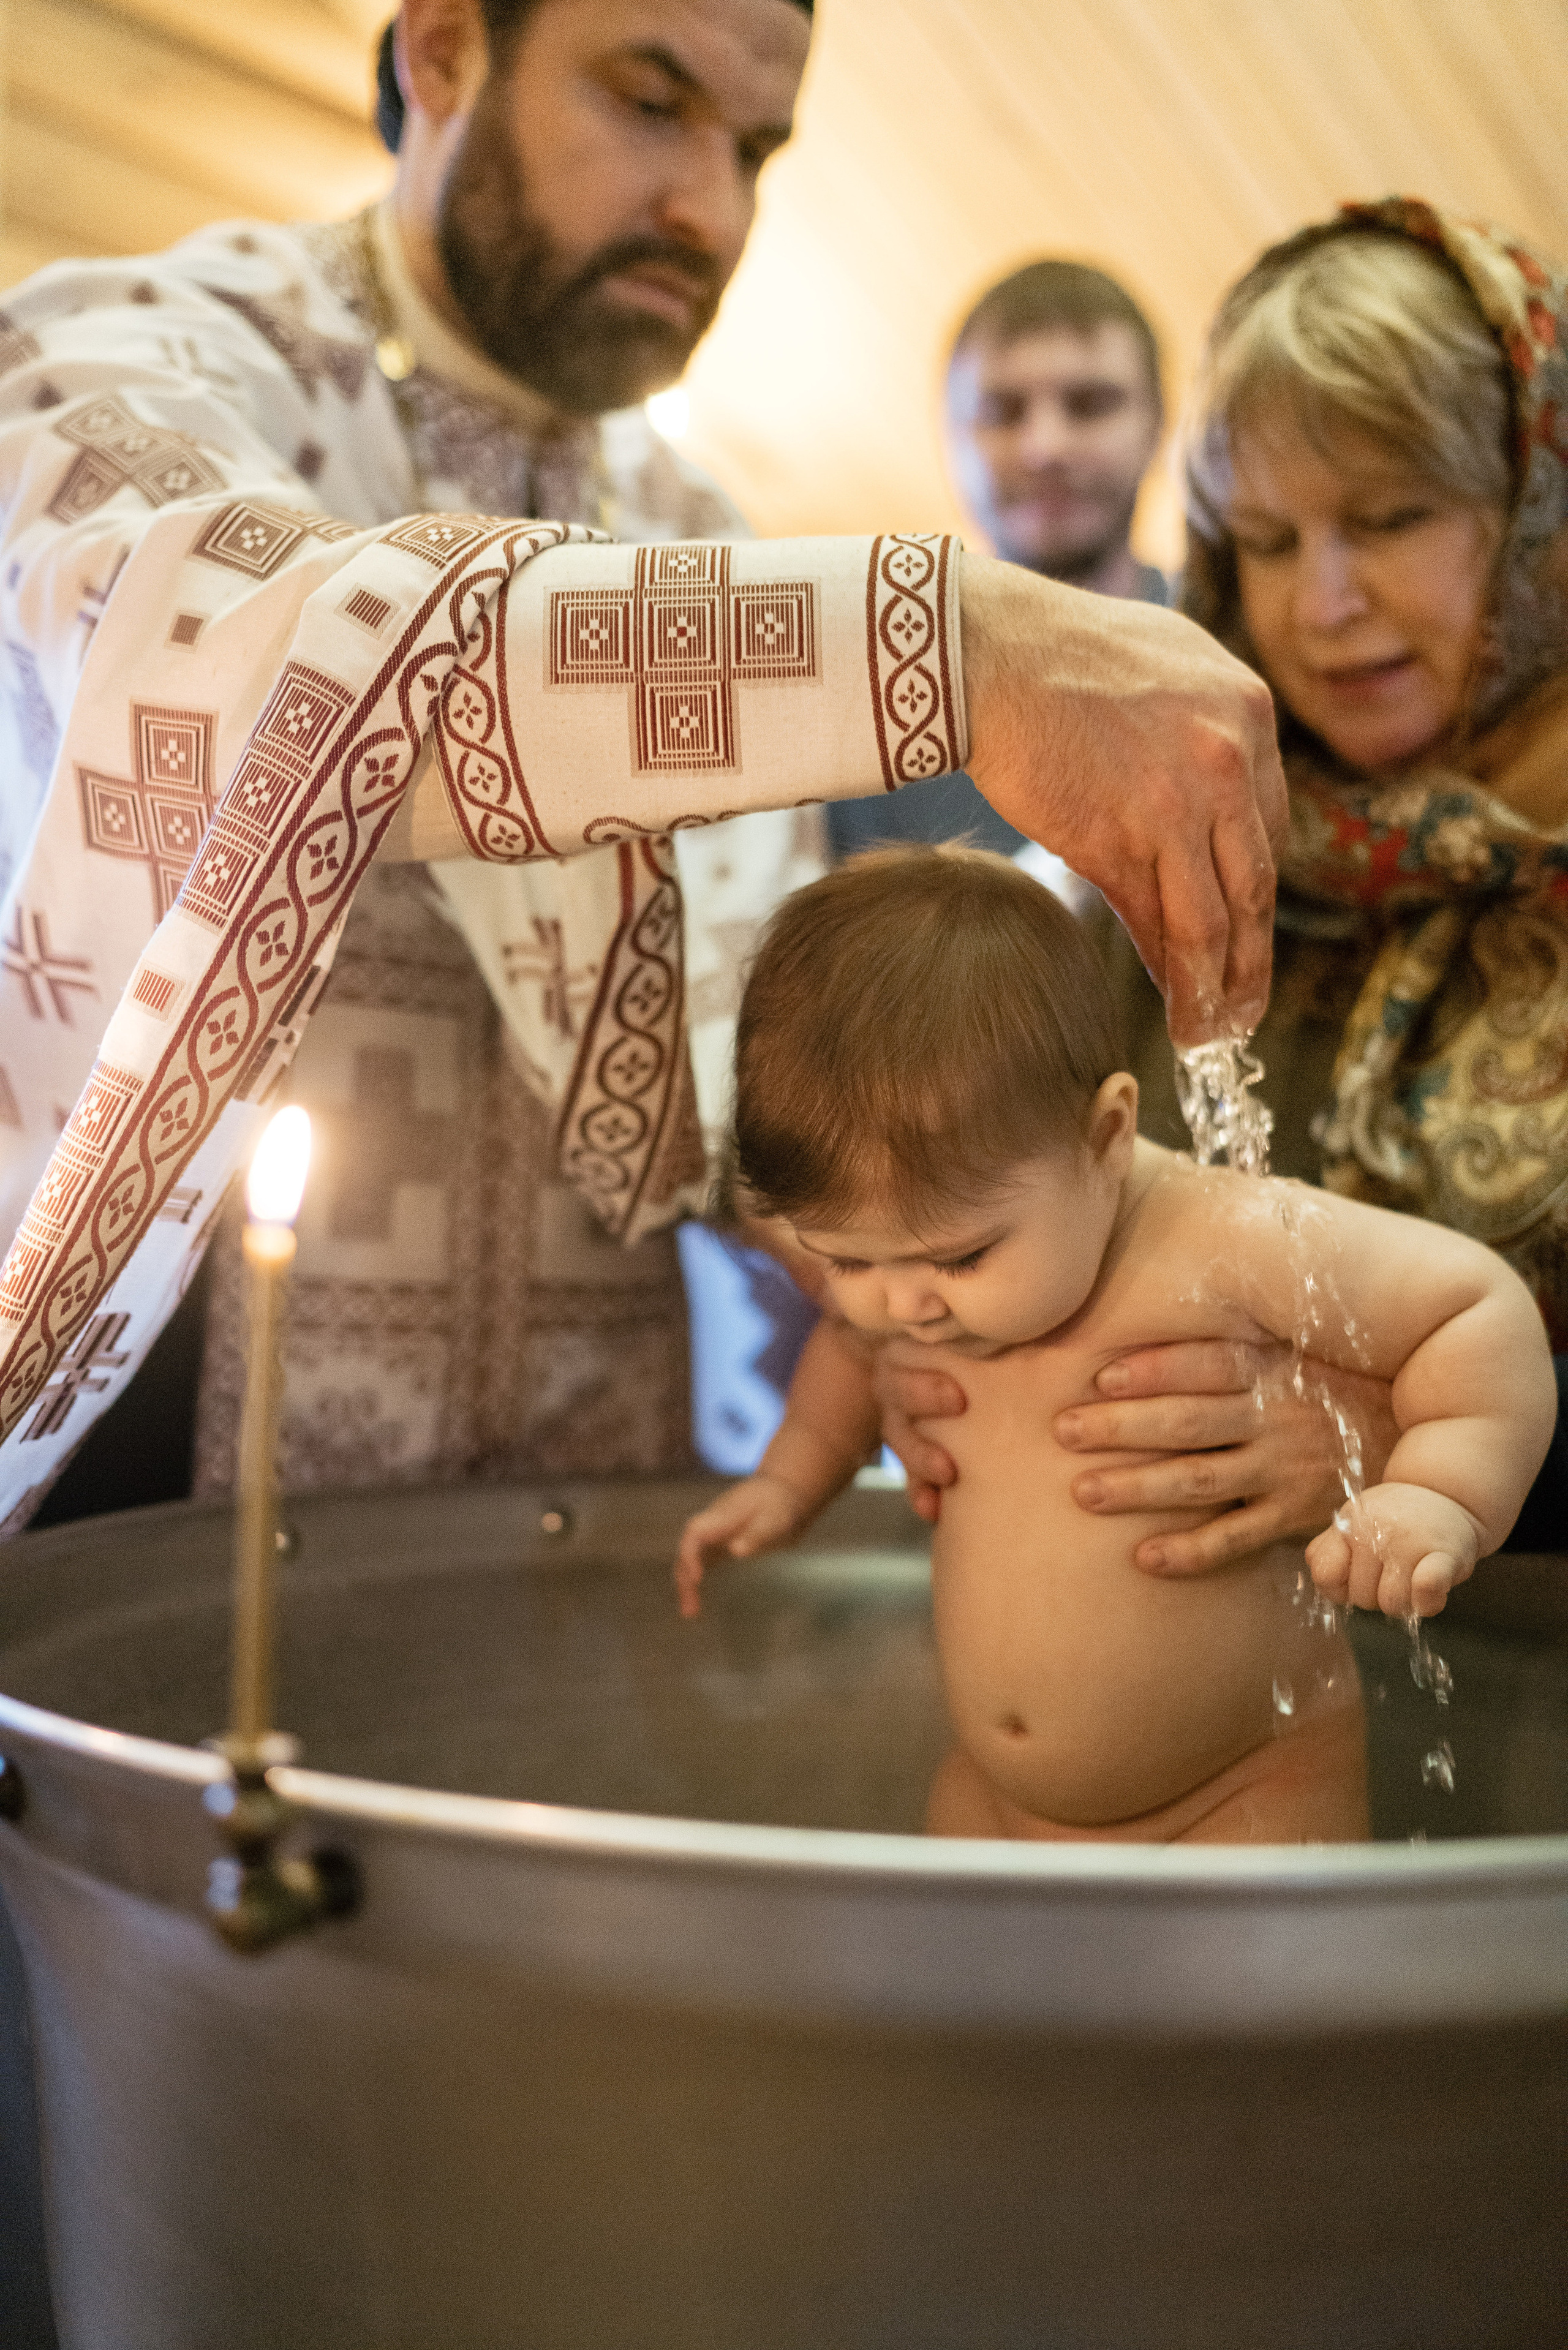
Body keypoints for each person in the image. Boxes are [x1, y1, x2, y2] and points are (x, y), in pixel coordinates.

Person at [0, 0, 1284, 1532]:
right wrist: (934, 638)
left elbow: (740, 1056)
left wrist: (1015, 1261)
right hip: (158, 1483)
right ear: (444, 55)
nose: (714, 211)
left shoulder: (698, 523)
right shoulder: (128, 348)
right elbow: (239, 667)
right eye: (649, 101)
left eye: (754, 149)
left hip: (595, 1476)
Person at [892, 197, 1568, 1569]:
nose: (1321, 602)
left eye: (1389, 517)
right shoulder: (1170, 856)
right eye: (1264, 540)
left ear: (1534, 513)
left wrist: (1427, 1434)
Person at [674, 848, 1555, 1842]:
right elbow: (850, 1348)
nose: (901, 1303)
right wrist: (792, 1478)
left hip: (1243, 1791)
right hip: (993, 1800)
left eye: (958, 1258)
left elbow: (1475, 1308)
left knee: (1255, 2000)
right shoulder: (922, 1273)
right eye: (847, 1259)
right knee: (961, 1998)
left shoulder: (1228, 1240)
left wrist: (1438, 1489)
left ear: (1105, 1133)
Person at [828, 259, 1168, 866]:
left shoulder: (1240, 646)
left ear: (1157, 424)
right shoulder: (865, 702)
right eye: (1002, 412)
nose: (1046, 446)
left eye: (1090, 405)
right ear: (951, 438)